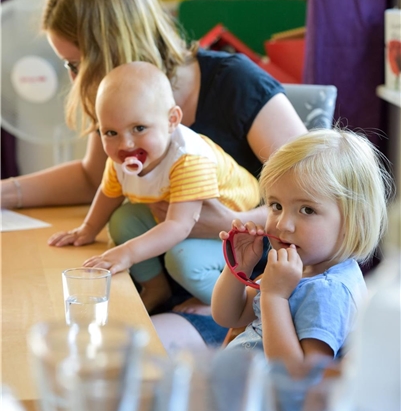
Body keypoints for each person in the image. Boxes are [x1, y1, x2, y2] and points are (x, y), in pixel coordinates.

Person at [0, 0, 306, 345]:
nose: (74, 80)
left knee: (111, 351)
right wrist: (6, 192)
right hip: (155, 280)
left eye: (76, 64)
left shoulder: (236, 84)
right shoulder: (122, 109)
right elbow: (93, 178)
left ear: (110, 51)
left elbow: (315, 198)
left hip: (236, 289)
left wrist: (232, 221)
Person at [48, 61, 261, 313]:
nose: (125, 143)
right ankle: (156, 287)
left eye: (139, 128)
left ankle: (229, 304)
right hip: (179, 215)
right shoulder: (120, 158)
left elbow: (178, 226)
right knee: (121, 220)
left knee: (183, 261)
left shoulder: (189, 159)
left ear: (172, 120)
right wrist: (88, 229)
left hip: (228, 231)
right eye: (110, 132)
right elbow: (109, 194)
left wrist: (127, 253)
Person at [211, 128, 392, 363]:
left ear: (354, 221)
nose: (283, 224)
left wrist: (275, 297)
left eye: (307, 210)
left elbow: (299, 378)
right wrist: (239, 268)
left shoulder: (328, 292)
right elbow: (228, 316)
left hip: (266, 398)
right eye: (276, 206)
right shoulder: (297, 267)